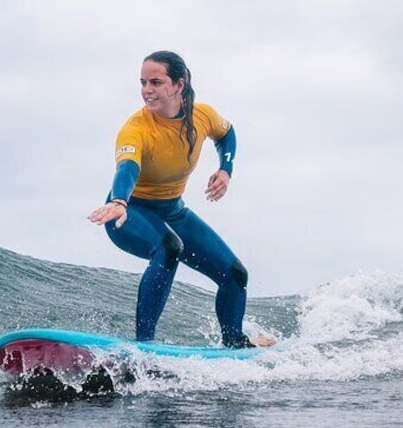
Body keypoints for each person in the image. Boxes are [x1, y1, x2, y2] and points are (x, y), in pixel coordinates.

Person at [88, 50, 274, 349]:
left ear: (179, 84)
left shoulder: (203, 115)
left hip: (172, 211)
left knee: (235, 275)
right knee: (168, 248)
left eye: (156, 82)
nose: (147, 90)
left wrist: (225, 170)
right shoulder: (136, 129)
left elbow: (227, 133)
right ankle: (144, 346)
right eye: (143, 82)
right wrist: (120, 201)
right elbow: (127, 167)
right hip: (128, 212)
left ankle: (234, 344)